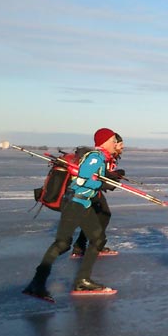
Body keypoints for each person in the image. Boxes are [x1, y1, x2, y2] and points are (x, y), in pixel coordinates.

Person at [22, 128, 120, 301]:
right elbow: (82, 179)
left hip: (83, 203)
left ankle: (81, 280)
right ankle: (38, 283)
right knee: (62, 244)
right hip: (75, 203)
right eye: (113, 141)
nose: (116, 144)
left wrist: (108, 179)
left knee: (96, 239)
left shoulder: (102, 158)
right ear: (104, 142)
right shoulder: (95, 157)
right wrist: (101, 185)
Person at [71, 133, 125, 258]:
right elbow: (88, 177)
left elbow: (101, 173)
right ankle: (93, 247)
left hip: (92, 190)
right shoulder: (97, 156)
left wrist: (113, 176)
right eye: (118, 143)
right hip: (87, 191)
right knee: (103, 215)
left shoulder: (106, 156)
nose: (121, 147)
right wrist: (107, 183)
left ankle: (80, 248)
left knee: (98, 216)